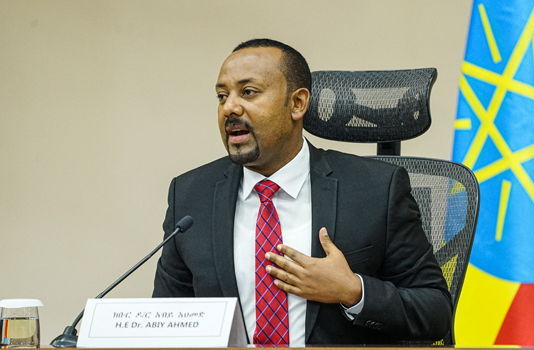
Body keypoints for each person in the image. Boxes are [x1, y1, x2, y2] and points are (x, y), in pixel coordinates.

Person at [153, 38, 452, 346]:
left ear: (297, 103)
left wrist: (353, 291)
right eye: (221, 95)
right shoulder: (190, 196)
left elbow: (435, 312)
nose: (229, 107)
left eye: (248, 92)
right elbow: (166, 318)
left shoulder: (376, 189)